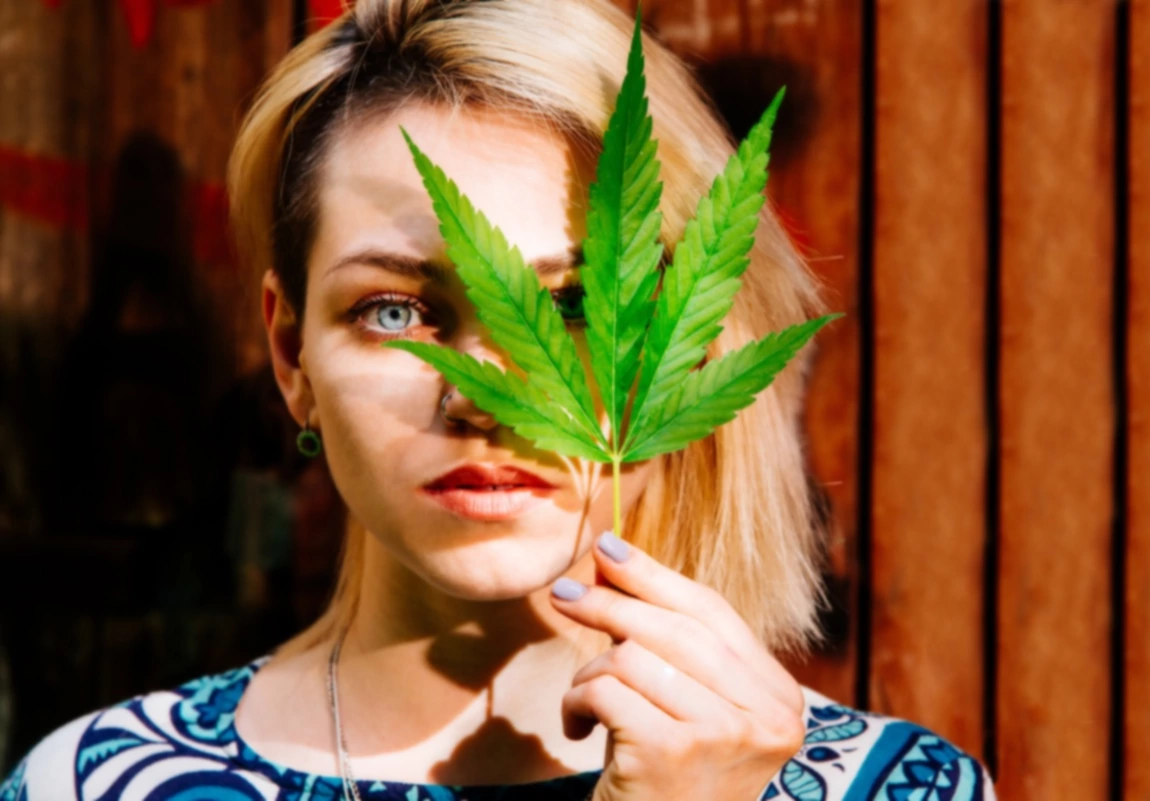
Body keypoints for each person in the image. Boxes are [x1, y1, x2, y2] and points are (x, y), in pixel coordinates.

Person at [0, 1, 997, 799]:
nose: (492, 398)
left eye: (569, 307)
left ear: (694, 346)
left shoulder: (904, 791)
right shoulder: (92, 785)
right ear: (289, 351)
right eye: (396, 310)